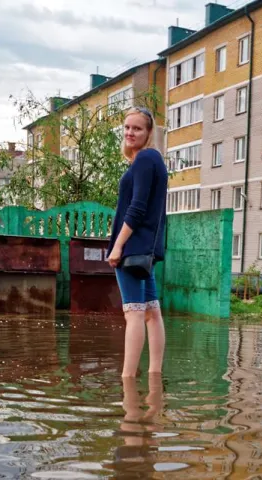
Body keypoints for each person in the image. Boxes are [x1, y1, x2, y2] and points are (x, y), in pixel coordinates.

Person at [106, 107, 168, 378]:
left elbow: (137, 208)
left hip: (133, 249)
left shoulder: (144, 159)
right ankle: (155, 378)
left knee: (133, 313)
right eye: (127, 128)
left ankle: (127, 382)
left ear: (149, 132)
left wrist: (117, 245)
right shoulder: (154, 160)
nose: (130, 133)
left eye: (137, 128)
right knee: (151, 312)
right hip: (146, 248)